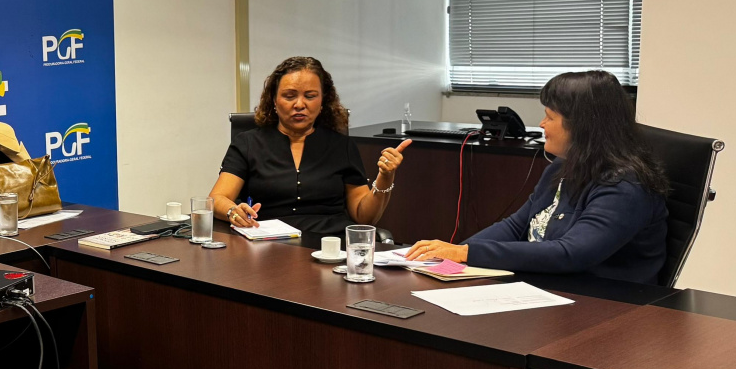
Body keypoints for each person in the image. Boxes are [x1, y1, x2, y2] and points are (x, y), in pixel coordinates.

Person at [406, 70, 668, 283]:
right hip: (549, 286)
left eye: (549, 117)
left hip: (606, 304)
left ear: (581, 127)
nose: (542, 124)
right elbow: (516, 226)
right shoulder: (562, 167)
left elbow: (571, 253)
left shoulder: (625, 186)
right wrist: (453, 256)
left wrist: (467, 253)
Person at [209, 56, 410, 238]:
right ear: (274, 101)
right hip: (269, 243)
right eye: (289, 96)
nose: (299, 104)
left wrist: (385, 177)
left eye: (310, 96)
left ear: (322, 102)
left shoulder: (342, 146)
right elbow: (218, 198)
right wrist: (233, 211)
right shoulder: (248, 143)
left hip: (332, 244)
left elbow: (364, 217)